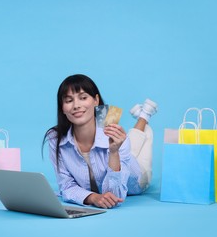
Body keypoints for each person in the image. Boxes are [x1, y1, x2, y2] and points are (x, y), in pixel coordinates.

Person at [43, 74, 157, 209]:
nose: (76, 105)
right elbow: (66, 186)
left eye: (83, 98)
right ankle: (141, 116)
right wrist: (93, 197)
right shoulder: (55, 138)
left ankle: (144, 117)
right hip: (118, 147)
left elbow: (114, 196)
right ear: (62, 107)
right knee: (128, 141)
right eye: (68, 100)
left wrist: (114, 151)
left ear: (96, 100)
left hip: (138, 177)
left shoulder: (112, 133)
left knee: (139, 141)